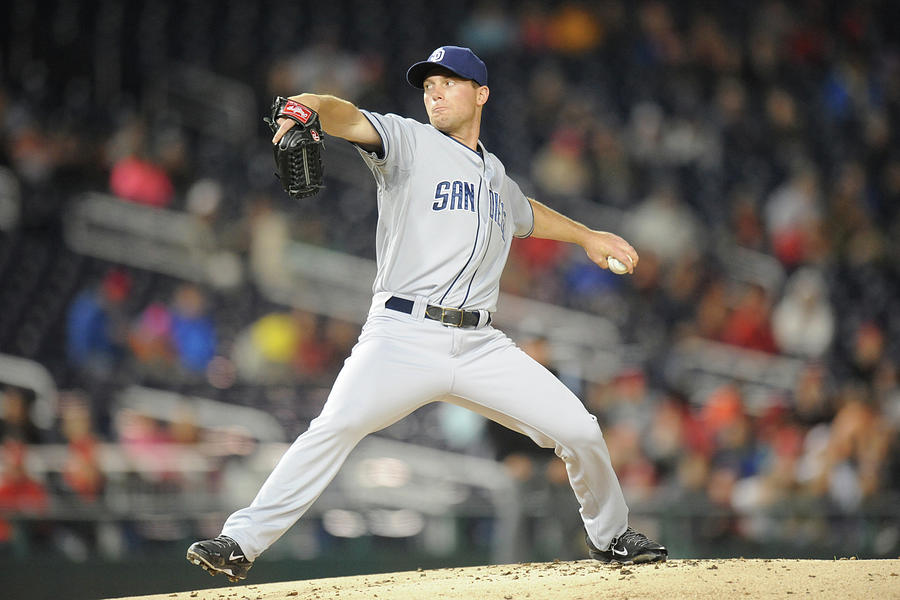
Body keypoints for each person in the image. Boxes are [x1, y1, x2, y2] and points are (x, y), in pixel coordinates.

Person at [187, 45, 666, 582]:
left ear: (481, 93)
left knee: (580, 429)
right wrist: (306, 106)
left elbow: (526, 212)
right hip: (402, 334)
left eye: (449, 82)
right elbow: (343, 115)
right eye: (428, 84)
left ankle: (611, 536)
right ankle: (239, 542)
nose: (434, 91)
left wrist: (587, 236)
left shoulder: (493, 174)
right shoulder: (408, 141)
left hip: (481, 343)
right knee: (334, 427)